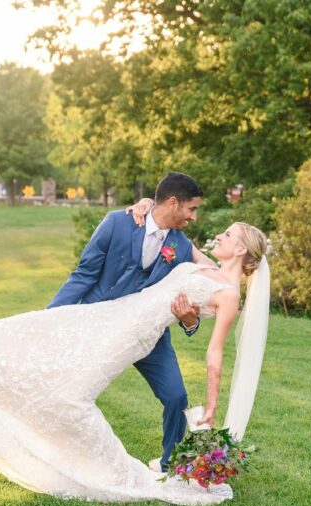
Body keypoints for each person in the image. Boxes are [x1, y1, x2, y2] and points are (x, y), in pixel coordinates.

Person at [0, 222, 270, 506]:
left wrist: (210, 406)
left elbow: (215, 353)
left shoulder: (228, 296)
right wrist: (145, 203)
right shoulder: (205, 265)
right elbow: (173, 230)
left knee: (73, 394)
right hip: (115, 312)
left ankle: (107, 472)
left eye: (228, 234)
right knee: (44, 325)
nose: (219, 235)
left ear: (240, 248)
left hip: (132, 333)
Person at [48, 172, 215, 473]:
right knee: (73, 393)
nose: (194, 217)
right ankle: (60, 456)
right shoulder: (117, 223)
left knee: (176, 396)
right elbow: (85, 274)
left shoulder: (181, 244)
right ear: (174, 203)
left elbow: (213, 277)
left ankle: (169, 464)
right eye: (192, 208)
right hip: (102, 327)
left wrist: (190, 321)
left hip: (149, 335)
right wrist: (51, 316)